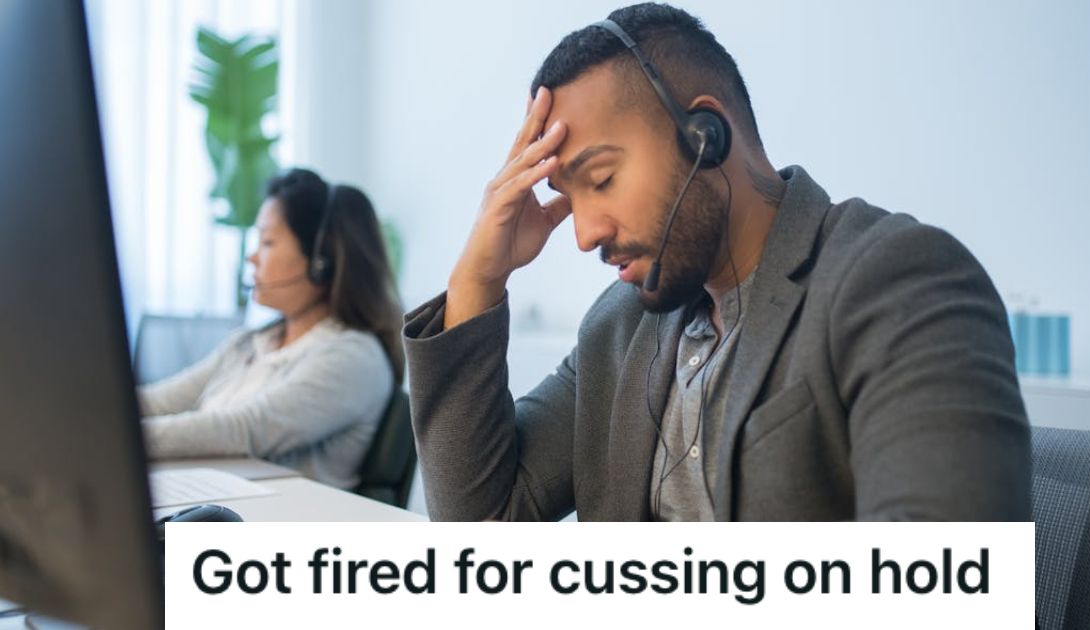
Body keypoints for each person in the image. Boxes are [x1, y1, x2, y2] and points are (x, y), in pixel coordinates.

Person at [403, 3, 1031, 520]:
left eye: (603, 177)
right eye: (570, 199)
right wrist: (477, 280)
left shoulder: (897, 281)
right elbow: (481, 528)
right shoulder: (619, 330)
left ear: (705, 135)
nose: (585, 234)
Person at [139, 168, 404, 490]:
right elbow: (162, 401)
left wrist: (120, 435)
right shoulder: (250, 344)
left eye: (267, 242)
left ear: (322, 259)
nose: (252, 257)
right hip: (214, 500)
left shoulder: (353, 357)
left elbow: (244, 431)